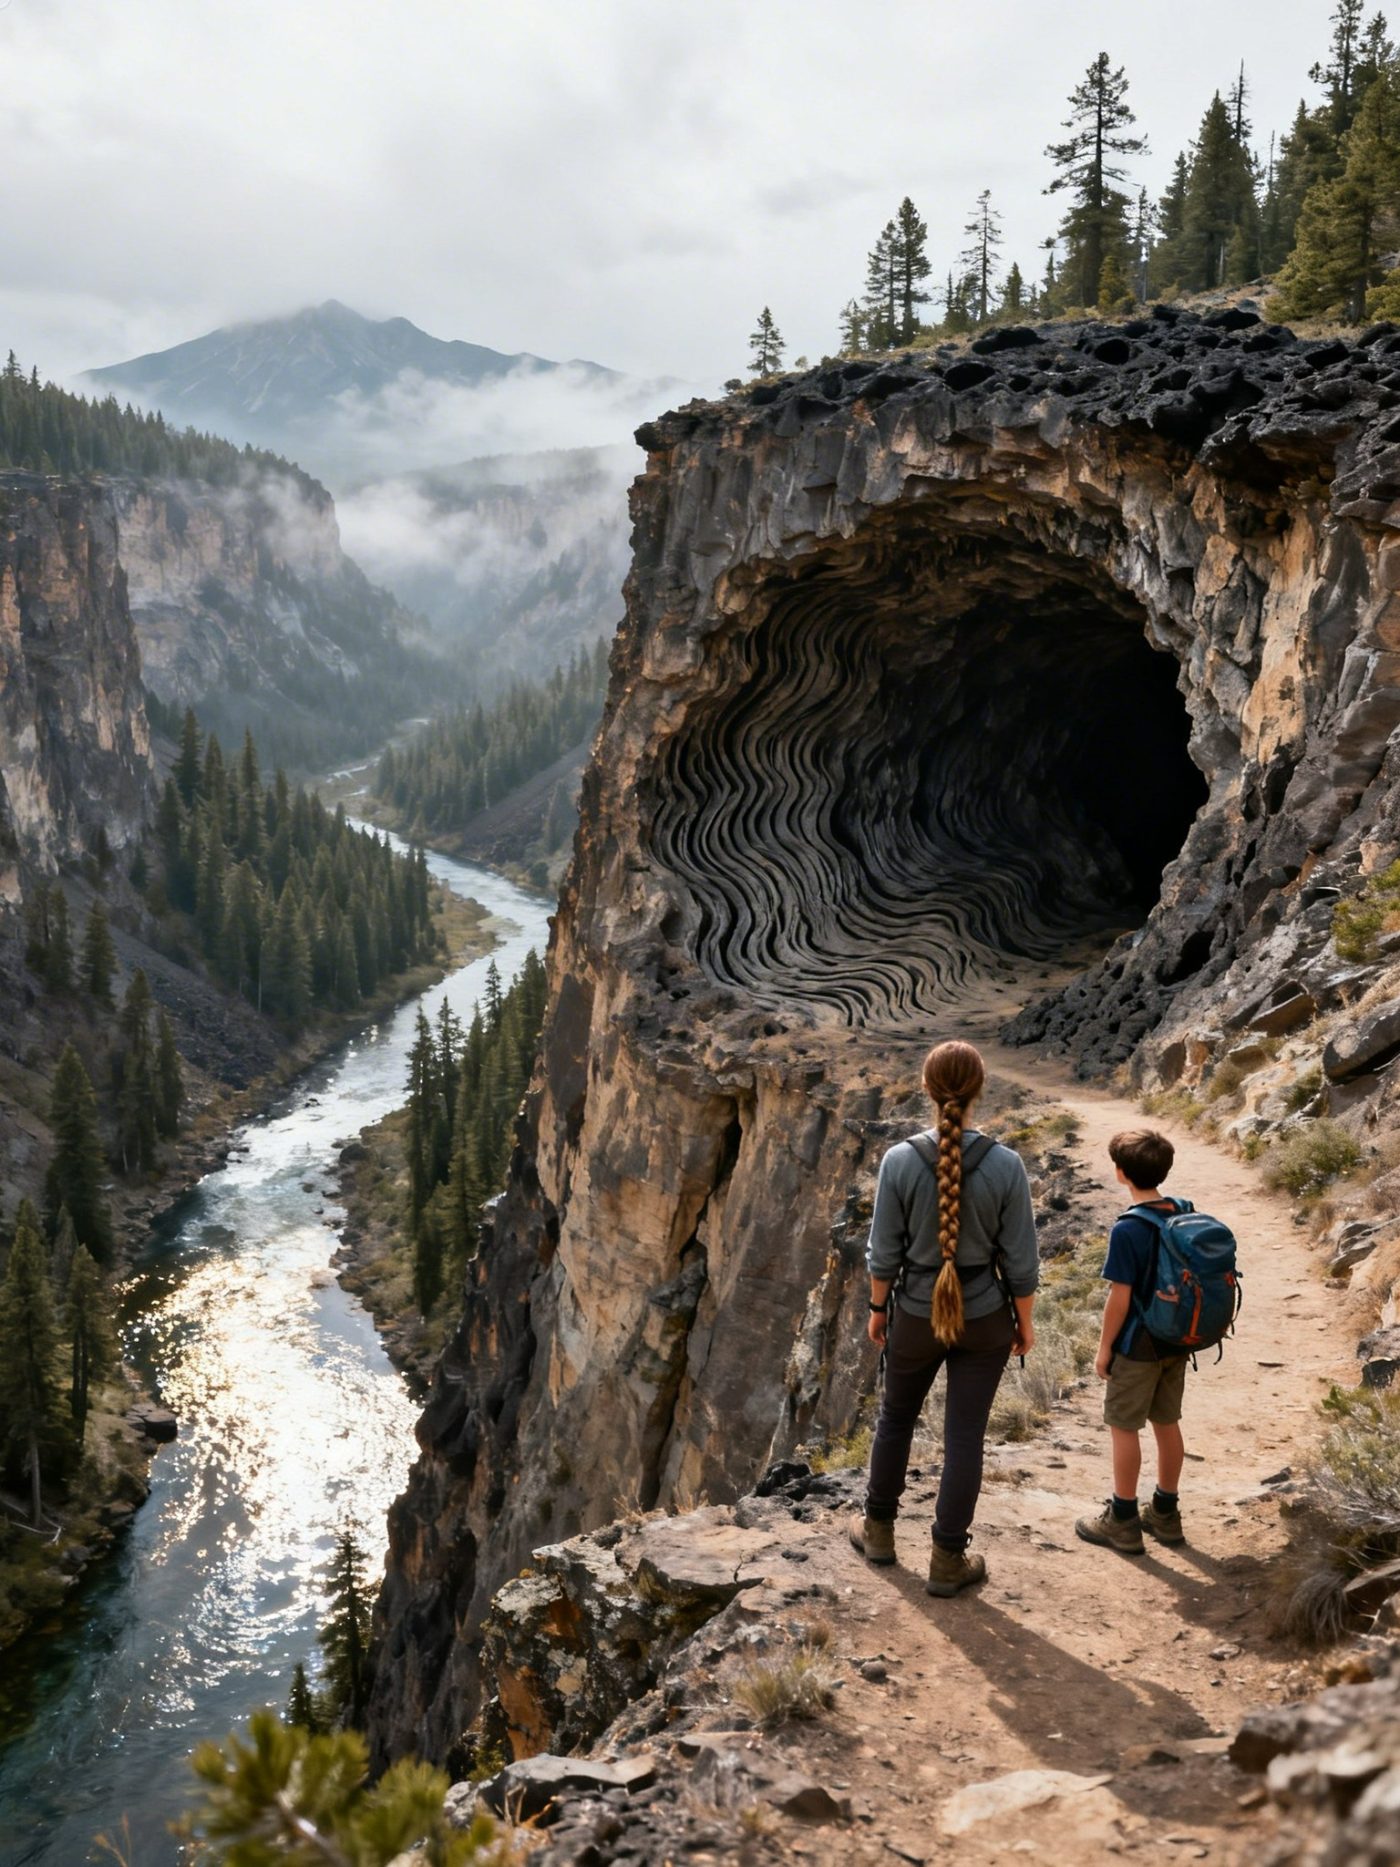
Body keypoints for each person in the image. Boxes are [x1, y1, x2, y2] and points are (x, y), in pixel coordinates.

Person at [849, 1039, 1038, 1596]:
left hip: (913, 1313)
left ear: (926, 1089)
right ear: (980, 1089)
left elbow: (883, 1253)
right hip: (986, 1317)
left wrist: (878, 1309)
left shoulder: (900, 1160)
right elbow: (1022, 1262)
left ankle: (879, 1533)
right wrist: (1023, 1323)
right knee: (965, 1437)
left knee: (895, 1419)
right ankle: (947, 1559)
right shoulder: (1006, 1165)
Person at [1075, 1128, 1190, 1556]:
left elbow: (1119, 1298)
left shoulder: (1128, 1228)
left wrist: (1105, 1348)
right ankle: (1165, 1512)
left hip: (1138, 1345)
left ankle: (1122, 1520)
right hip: (1176, 1339)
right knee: (1167, 1423)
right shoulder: (1182, 1211)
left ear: (1121, 1173)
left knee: (1124, 1428)